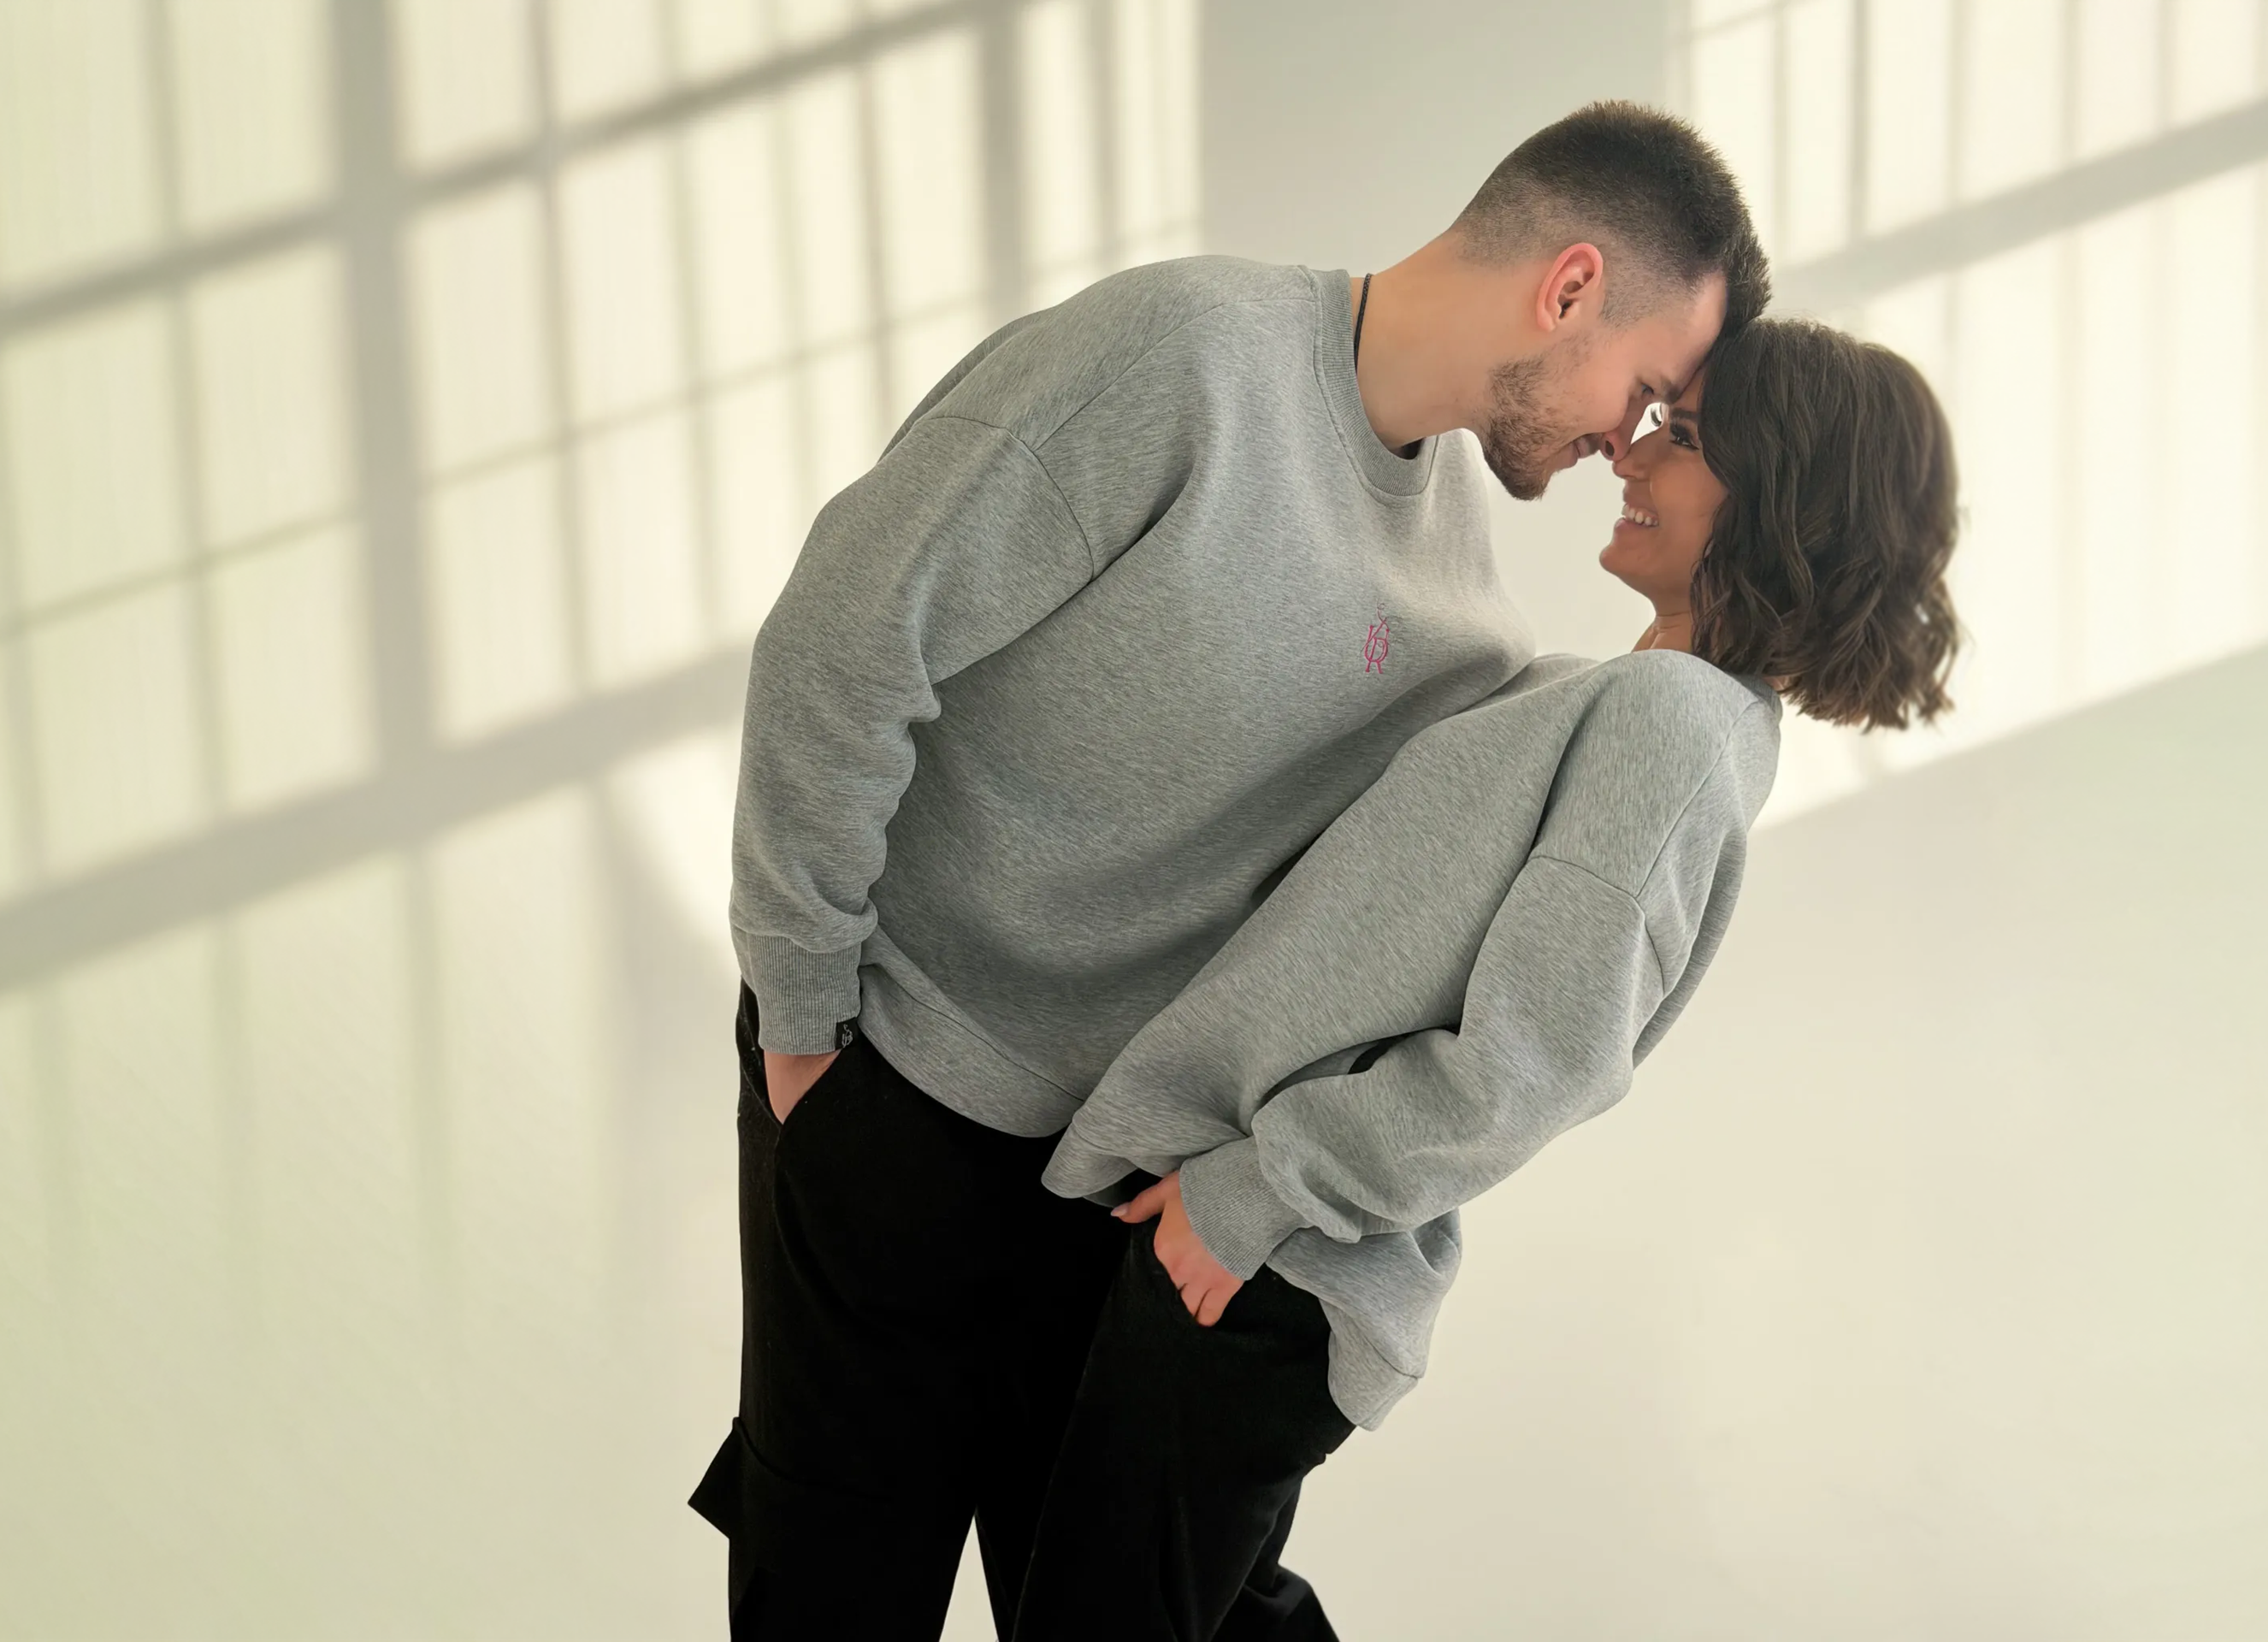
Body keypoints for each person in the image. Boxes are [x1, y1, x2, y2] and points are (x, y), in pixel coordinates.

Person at [694, 103, 1769, 1639]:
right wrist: (804, 1024)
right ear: (1571, 285)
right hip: (896, 1091)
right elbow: (843, 640)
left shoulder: (1464, 561)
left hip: (1110, 1185)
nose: (1627, 441)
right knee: (830, 1596)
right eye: (1647, 389)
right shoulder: (1182, 358)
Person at [1028, 316, 1964, 1633]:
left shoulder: (1672, 728)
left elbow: (1534, 1063)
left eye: (1683, 440)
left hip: (1273, 1257)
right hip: (1254, 1240)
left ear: (1778, 505)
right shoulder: (1618, 700)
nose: (1633, 455)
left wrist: (1253, 1194)